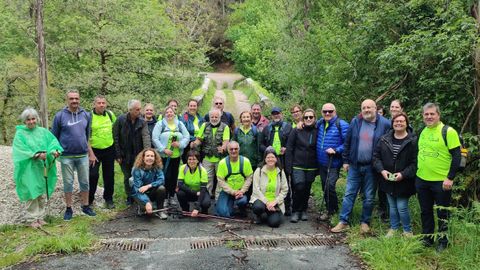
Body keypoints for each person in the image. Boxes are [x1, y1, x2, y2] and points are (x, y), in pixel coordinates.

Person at [331, 99, 390, 234]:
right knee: (349, 194)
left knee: (369, 196)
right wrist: (345, 160)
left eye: (369, 107)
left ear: (376, 109)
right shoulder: (356, 121)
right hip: (355, 165)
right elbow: (348, 141)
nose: (366, 110)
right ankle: (343, 221)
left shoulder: (385, 124)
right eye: (364, 108)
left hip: (372, 167)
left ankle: (365, 222)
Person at [416, 103, 461, 251]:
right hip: (422, 179)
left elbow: (457, 156)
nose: (429, 117)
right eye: (426, 114)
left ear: (438, 115)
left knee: (443, 212)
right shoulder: (423, 131)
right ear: (423, 116)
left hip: (441, 182)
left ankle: (443, 241)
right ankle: (427, 239)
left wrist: (450, 177)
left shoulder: (448, 132)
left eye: (432, 114)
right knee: (425, 211)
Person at [13, 108, 63, 227]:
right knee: (31, 192)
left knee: (40, 191)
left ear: (37, 119)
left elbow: (53, 143)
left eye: (33, 119)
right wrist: (36, 155)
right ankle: (32, 219)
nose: (31, 121)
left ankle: (40, 217)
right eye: (28, 119)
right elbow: (20, 150)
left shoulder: (43, 132)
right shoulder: (20, 134)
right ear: (24, 121)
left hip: (42, 167)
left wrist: (55, 151)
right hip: (28, 169)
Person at [51, 90, 96, 221]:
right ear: (67, 100)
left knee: (84, 182)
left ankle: (85, 206)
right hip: (66, 156)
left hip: (82, 155)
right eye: (71, 99)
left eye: (76, 98)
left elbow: (87, 136)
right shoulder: (60, 116)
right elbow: (54, 137)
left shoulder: (86, 115)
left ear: (79, 99)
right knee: (68, 182)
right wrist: (55, 151)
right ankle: (69, 208)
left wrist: (90, 153)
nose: (74, 101)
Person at [373, 112, 417, 237]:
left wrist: (403, 174)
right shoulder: (384, 139)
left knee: (402, 206)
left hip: (405, 180)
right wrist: (382, 170)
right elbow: (376, 158)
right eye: (396, 121)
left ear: (406, 124)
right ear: (392, 124)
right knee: (392, 206)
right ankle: (394, 228)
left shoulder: (413, 140)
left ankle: (407, 231)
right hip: (387, 179)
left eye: (402, 121)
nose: (399, 123)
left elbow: (415, 163)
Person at [113, 99, 151, 206]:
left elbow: (146, 137)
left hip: (138, 154)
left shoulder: (142, 122)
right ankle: (129, 196)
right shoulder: (120, 120)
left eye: (140, 109)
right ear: (130, 110)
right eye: (137, 109)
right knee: (127, 177)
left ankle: (138, 196)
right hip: (124, 155)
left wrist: (146, 153)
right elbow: (115, 137)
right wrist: (118, 154)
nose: (140, 111)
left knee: (138, 176)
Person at [316, 103, 349, 221]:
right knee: (324, 187)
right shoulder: (320, 123)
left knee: (330, 186)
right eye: (325, 111)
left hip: (334, 163)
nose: (327, 113)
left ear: (335, 111)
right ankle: (329, 210)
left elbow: (348, 144)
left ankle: (333, 210)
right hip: (322, 162)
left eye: (330, 111)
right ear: (321, 112)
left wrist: (336, 150)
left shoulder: (342, 125)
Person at [152, 106, 189, 205]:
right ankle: (163, 198)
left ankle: (171, 196)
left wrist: (180, 144)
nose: (169, 114)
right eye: (167, 112)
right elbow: (155, 138)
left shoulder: (180, 124)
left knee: (173, 177)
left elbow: (187, 136)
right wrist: (164, 149)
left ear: (174, 113)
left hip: (176, 156)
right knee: (165, 177)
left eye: (171, 112)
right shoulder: (160, 124)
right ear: (164, 114)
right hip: (164, 156)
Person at [285, 109, 318, 222]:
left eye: (311, 117)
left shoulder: (318, 130)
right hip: (297, 165)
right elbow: (289, 148)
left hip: (311, 166)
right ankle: (295, 211)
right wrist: (288, 166)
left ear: (314, 118)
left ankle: (303, 209)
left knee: (307, 189)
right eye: (306, 117)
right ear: (302, 119)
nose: (308, 119)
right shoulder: (296, 130)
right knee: (299, 187)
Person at [259, 106, 293, 215]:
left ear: (281, 114)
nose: (276, 115)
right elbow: (260, 145)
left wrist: (286, 148)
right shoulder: (267, 128)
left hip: (283, 158)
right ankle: (268, 203)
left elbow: (292, 142)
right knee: (270, 180)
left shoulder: (288, 127)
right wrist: (268, 151)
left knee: (284, 181)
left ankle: (286, 206)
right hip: (270, 159)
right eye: (274, 114)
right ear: (271, 116)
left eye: (278, 113)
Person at [192, 109, 230, 197]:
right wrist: (194, 144)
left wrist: (223, 148)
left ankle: (218, 197)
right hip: (207, 157)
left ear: (220, 117)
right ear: (209, 117)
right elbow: (199, 139)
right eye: (212, 117)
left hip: (220, 158)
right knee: (207, 178)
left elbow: (226, 140)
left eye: (216, 117)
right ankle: (206, 197)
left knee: (220, 178)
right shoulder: (204, 125)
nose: (214, 118)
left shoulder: (225, 127)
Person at [88, 95, 116, 209]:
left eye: (103, 103)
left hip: (109, 149)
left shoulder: (110, 115)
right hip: (94, 151)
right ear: (94, 104)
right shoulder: (89, 116)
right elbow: (85, 135)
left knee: (109, 176)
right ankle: (89, 200)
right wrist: (90, 153)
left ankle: (108, 199)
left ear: (106, 104)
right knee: (93, 175)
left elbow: (116, 129)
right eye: (99, 103)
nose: (101, 105)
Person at [251, 147, 288, 228]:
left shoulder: (280, 172)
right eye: (268, 157)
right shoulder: (259, 171)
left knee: (275, 223)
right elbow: (256, 190)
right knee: (258, 207)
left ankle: (268, 214)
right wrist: (267, 203)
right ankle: (259, 215)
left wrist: (275, 202)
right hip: (261, 201)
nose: (270, 159)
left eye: (272, 157)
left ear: (276, 159)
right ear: (265, 159)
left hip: (274, 202)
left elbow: (285, 190)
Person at [215, 141, 254, 218]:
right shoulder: (222, 163)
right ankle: (231, 208)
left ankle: (241, 208)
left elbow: (249, 178)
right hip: (227, 191)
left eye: (236, 149)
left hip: (241, 192)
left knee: (242, 201)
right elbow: (221, 181)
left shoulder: (245, 161)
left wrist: (242, 191)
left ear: (239, 149)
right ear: (228, 150)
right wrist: (232, 192)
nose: (233, 151)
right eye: (231, 149)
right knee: (224, 213)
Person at [131, 148, 167, 219]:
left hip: (152, 191)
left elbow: (161, 179)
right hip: (140, 194)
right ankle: (143, 206)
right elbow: (137, 189)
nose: (150, 158)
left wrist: (148, 186)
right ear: (143, 158)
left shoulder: (157, 167)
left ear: (155, 158)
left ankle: (160, 211)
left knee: (161, 188)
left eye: (152, 156)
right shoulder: (137, 169)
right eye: (147, 156)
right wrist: (147, 202)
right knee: (146, 211)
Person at [177, 150, 211, 215]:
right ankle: (185, 209)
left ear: (198, 160)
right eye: (189, 159)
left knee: (206, 203)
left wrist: (197, 208)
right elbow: (180, 185)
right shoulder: (183, 168)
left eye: (194, 159)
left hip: (200, 192)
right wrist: (194, 192)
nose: (191, 161)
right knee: (180, 193)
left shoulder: (203, 171)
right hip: (190, 192)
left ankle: (203, 211)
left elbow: (203, 190)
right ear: (187, 160)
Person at [181, 99, 204, 164]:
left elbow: (204, 130)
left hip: (200, 144)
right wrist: (194, 140)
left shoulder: (200, 118)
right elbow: (183, 132)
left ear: (197, 107)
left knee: (199, 164)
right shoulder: (185, 117)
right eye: (191, 106)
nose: (192, 108)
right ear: (188, 107)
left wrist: (199, 140)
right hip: (188, 144)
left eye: (194, 106)